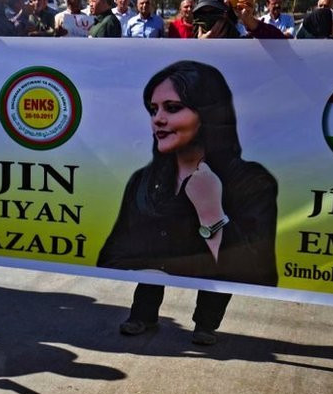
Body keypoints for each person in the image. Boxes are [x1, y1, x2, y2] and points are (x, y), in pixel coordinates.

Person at [98, 61, 278, 346]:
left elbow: (256, 270)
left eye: (172, 108)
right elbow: (110, 256)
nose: (158, 119)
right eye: (153, 109)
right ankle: (143, 314)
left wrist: (212, 213)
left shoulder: (251, 182)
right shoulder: (143, 181)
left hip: (211, 273)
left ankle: (206, 323)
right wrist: (141, 266)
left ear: (207, 114)